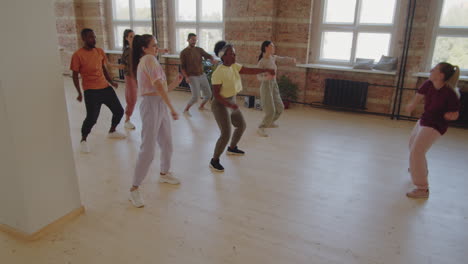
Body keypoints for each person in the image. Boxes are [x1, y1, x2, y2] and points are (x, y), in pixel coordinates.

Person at [128, 34, 183, 208]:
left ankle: (164, 173)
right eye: (154, 45)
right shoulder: (149, 59)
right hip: (151, 107)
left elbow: (162, 89)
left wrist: (176, 81)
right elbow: (158, 87)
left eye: (157, 45)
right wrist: (173, 108)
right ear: (144, 48)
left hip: (158, 104)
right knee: (148, 150)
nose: (157, 48)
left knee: (167, 143)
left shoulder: (151, 60)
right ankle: (134, 189)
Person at [209, 41, 276, 172]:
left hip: (231, 102)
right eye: (231, 54)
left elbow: (249, 70)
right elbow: (216, 95)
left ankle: (232, 148)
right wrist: (229, 105)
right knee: (225, 133)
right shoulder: (218, 72)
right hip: (220, 105)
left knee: (241, 125)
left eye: (235, 53)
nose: (235, 56)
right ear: (223, 56)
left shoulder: (234, 66)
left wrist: (266, 70)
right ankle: (214, 160)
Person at [405, 62, 461, 198]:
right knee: (412, 145)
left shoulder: (450, 93)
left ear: (441, 75)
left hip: (436, 125)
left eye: (434, 69)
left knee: (417, 152)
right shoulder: (429, 84)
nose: (430, 70)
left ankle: (422, 188)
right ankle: (419, 169)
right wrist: (412, 105)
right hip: (424, 120)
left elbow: (455, 114)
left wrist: (450, 116)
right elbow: (419, 96)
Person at [70, 28, 126, 154]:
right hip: (91, 91)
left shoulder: (99, 51)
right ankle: (83, 140)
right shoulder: (77, 55)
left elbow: (103, 68)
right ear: (83, 39)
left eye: (94, 37)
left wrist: (111, 82)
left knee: (119, 111)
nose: (93, 39)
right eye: (90, 37)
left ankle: (112, 131)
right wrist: (79, 93)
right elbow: (74, 75)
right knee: (92, 118)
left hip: (105, 88)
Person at [256, 41, 296, 137]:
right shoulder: (262, 62)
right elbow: (258, 76)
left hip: (274, 84)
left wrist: (291, 59)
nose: (274, 48)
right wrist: (266, 77)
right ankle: (261, 127)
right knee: (270, 110)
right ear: (266, 48)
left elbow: (283, 59)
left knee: (280, 107)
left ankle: (270, 122)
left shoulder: (272, 57)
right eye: (272, 46)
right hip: (266, 86)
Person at [180, 33, 217, 117]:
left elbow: (208, 55)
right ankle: (186, 110)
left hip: (202, 75)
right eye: (192, 39)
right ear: (188, 40)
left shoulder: (199, 50)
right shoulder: (184, 53)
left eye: (195, 40)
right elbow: (182, 67)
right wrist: (186, 77)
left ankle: (201, 106)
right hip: (192, 77)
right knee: (195, 97)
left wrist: (212, 59)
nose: (194, 41)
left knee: (208, 94)